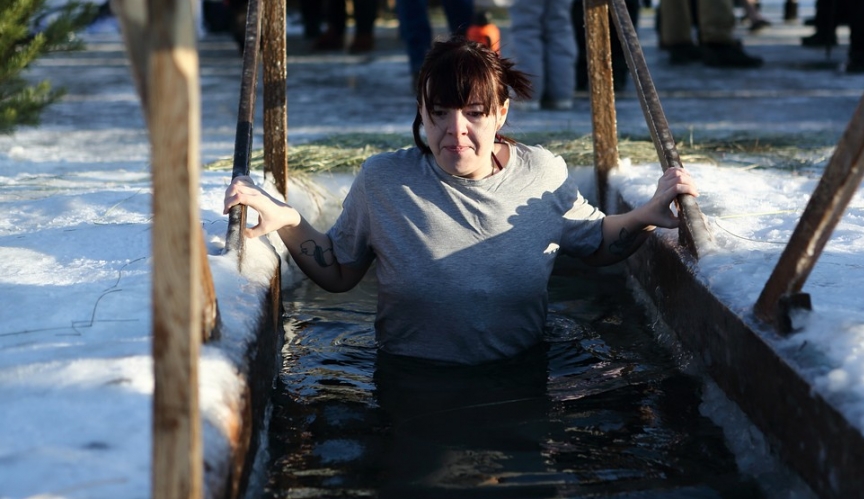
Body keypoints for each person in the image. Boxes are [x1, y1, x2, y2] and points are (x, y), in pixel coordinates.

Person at [223, 36, 699, 366]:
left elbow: (595, 242)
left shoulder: (543, 174)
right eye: (440, 114)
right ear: (421, 114)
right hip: (410, 382)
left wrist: (645, 216)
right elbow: (340, 271)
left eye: (474, 114)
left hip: (519, 379)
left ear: (501, 112)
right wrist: (286, 219)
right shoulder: (384, 181)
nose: (456, 132)